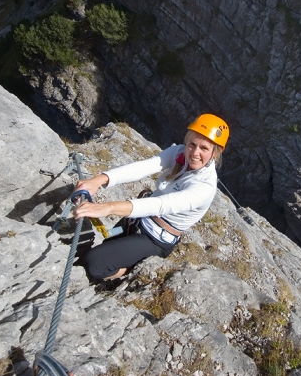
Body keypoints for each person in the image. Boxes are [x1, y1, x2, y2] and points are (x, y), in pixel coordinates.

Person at [73, 114, 230, 281]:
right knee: (107, 241)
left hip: (154, 239)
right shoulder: (179, 153)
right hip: (135, 221)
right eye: (192, 144)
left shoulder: (204, 187)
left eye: (204, 148)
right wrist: (99, 180)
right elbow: (145, 167)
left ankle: (129, 272)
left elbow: (161, 205)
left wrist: (109, 208)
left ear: (214, 153)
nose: (195, 153)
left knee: (95, 263)